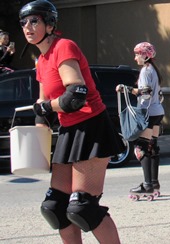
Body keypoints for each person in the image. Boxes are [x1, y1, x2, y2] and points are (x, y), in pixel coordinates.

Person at [19, 1, 124, 243]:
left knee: (83, 208)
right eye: (23, 22)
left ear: (49, 23)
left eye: (34, 20)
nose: (27, 27)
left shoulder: (63, 47)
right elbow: (42, 107)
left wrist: (45, 107)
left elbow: (76, 95)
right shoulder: (42, 60)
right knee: (55, 206)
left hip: (91, 127)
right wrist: (37, 143)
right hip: (68, 131)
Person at [116, 42, 165, 199]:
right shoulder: (153, 71)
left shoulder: (145, 71)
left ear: (146, 55)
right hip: (157, 112)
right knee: (153, 147)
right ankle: (154, 183)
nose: (135, 57)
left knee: (141, 148)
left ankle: (147, 185)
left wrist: (127, 88)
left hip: (148, 113)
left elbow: (146, 92)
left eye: (137, 54)